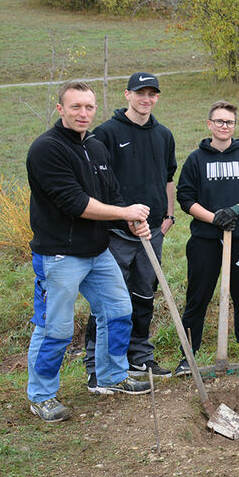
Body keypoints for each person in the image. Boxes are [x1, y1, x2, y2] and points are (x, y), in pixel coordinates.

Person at [25, 80, 152, 422]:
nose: (83, 113)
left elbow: (112, 194)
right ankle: (42, 395)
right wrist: (125, 213)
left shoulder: (94, 147)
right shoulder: (46, 149)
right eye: (76, 107)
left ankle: (112, 376)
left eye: (89, 107)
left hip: (97, 251)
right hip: (59, 256)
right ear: (60, 109)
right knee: (56, 327)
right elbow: (75, 204)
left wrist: (130, 219)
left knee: (118, 311)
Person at [84, 72, 176, 392]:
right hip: (116, 234)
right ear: (127, 95)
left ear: (157, 98)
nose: (145, 99)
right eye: (140, 93)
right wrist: (123, 217)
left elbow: (167, 179)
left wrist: (169, 216)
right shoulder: (105, 134)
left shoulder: (164, 135)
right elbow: (96, 182)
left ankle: (139, 355)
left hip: (152, 233)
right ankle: (96, 365)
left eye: (151, 94)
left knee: (143, 295)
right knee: (109, 300)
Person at [175, 100, 239, 375]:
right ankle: (188, 355)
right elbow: (185, 197)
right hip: (205, 239)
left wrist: (236, 210)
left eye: (229, 122)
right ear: (209, 124)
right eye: (219, 121)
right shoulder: (195, 159)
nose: (224, 126)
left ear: (234, 125)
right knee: (198, 297)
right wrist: (213, 217)